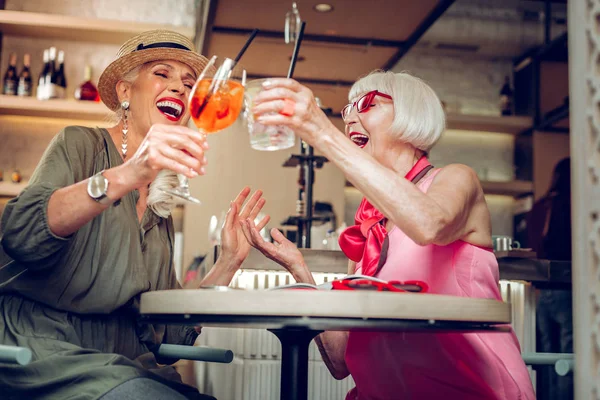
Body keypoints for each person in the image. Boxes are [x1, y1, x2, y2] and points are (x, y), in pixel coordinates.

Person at [0, 30, 269, 399]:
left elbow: (167, 333)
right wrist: (129, 174)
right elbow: (21, 233)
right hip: (45, 351)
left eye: (189, 83)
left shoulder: (160, 203)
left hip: (124, 360)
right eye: (163, 73)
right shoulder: (80, 144)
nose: (179, 88)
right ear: (125, 92)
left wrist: (228, 262)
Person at [240, 70, 536, 399]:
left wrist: (321, 131)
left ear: (412, 115)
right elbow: (340, 362)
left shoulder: (455, 179)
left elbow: (428, 224)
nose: (351, 116)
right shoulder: (369, 225)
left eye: (367, 104)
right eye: (348, 109)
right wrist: (300, 269)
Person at [527, 157, 573, 400]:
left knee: (546, 356)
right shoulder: (574, 206)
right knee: (568, 358)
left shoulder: (540, 206)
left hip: (542, 291)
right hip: (567, 288)